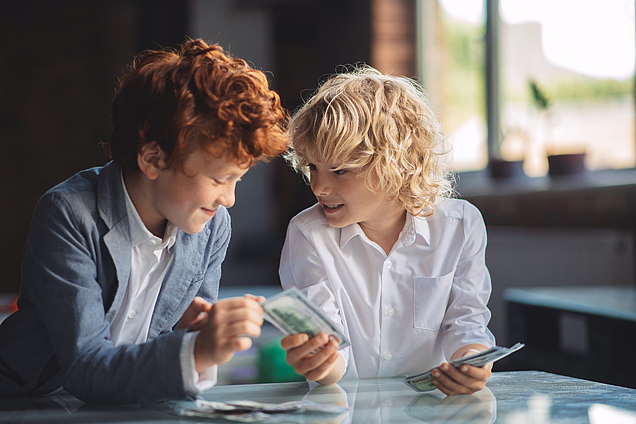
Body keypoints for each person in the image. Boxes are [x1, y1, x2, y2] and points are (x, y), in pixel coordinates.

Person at [0, 39, 289, 404]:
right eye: (218, 180)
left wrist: (197, 333)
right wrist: (198, 349)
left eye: (237, 180)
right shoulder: (69, 214)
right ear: (153, 159)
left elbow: (179, 353)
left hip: (139, 403)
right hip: (34, 404)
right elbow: (85, 366)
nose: (228, 199)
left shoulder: (213, 225)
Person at [278, 66, 496, 396]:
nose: (319, 186)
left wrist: (472, 361)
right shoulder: (308, 234)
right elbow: (328, 342)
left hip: (432, 411)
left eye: (339, 170)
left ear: (396, 165)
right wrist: (323, 363)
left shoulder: (460, 226)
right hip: (348, 411)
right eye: (312, 167)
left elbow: (467, 320)